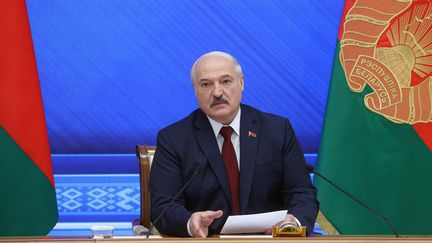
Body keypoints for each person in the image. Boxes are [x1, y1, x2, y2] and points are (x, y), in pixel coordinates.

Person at [149, 51, 319, 237]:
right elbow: (163, 207)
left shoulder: (277, 131)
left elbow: (302, 193)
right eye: (206, 84)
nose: (217, 92)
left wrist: (293, 222)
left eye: (226, 81)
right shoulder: (174, 139)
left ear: (242, 83)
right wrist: (191, 222)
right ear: (195, 90)